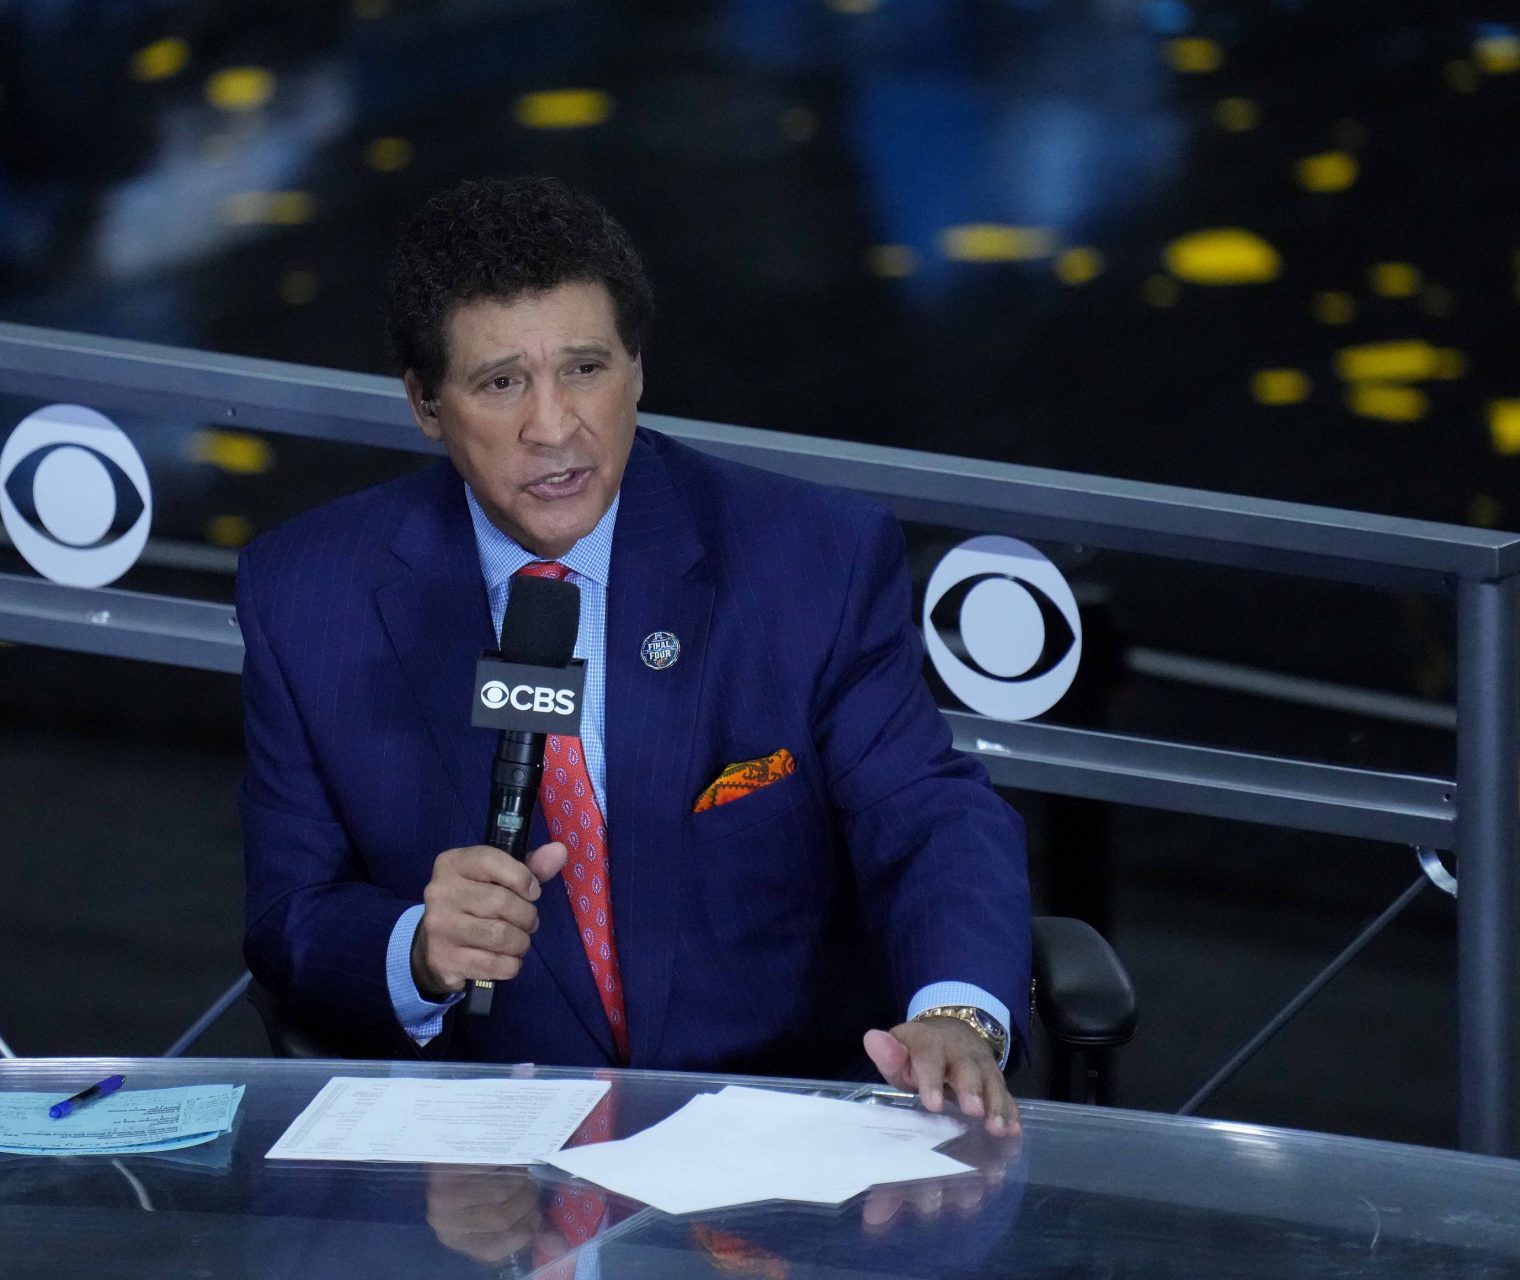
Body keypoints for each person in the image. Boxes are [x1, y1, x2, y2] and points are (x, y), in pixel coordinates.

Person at [236, 176, 1029, 1135]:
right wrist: (417, 950)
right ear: (425, 405)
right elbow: (291, 918)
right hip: (485, 1159)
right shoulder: (307, 595)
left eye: (584, 369)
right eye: (499, 383)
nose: (554, 427)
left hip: (779, 1139)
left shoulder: (809, 559)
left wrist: (956, 1014)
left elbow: (927, 810)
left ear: (638, 370)